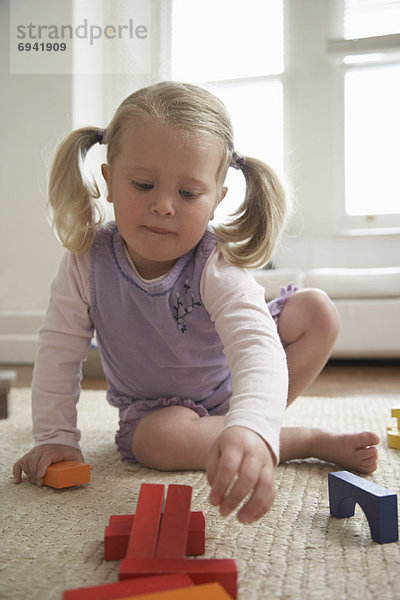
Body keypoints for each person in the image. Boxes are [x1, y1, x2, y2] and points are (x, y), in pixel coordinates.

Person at [12, 82, 379, 524]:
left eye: (188, 194)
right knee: (158, 444)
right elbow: (58, 352)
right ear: (108, 182)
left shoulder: (214, 261)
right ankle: (299, 439)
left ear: (216, 201)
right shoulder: (87, 261)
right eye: (144, 185)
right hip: (159, 412)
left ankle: (250, 431)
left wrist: (252, 425)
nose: (164, 206)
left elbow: (256, 348)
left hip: (230, 386)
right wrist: (55, 436)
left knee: (316, 310)